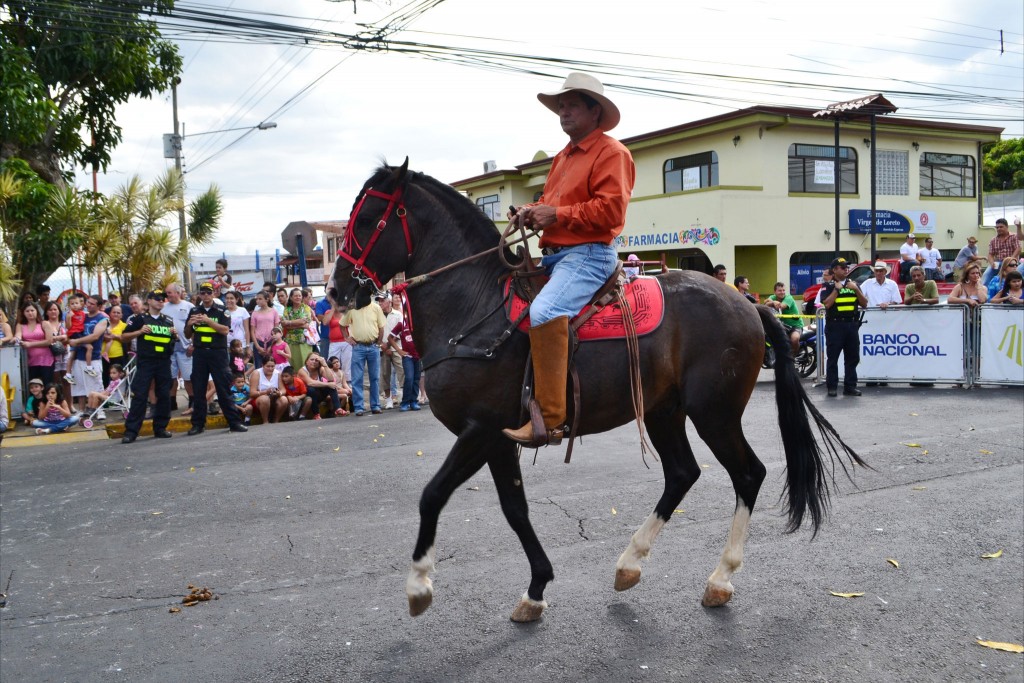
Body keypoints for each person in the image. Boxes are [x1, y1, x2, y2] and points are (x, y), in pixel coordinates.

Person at [501, 72, 636, 446]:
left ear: (595, 111)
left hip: (590, 255)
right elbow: (550, 204)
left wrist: (555, 216)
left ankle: (551, 421)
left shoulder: (613, 153)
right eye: (561, 106)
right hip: (557, 257)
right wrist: (528, 211)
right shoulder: (562, 156)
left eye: (572, 104)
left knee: (544, 312)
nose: (564, 111)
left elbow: (611, 211)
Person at [183, 282, 247, 436]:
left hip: (217, 353)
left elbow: (225, 330)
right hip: (200, 353)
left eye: (208, 292)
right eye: (203, 293)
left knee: (223, 389)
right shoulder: (194, 310)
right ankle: (198, 424)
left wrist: (208, 321)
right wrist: (190, 324)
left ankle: (234, 422)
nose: (205, 295)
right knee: (199, 389)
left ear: (214, 294)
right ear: (199, 294)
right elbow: (186, 334)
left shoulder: (221, 310)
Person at [119, 289, 177, 443]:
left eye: (162, 299)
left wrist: (175, 335)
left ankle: (160, 428)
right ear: (149, 301)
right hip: (146, 362)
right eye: (157, 299)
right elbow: (123, 337)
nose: (160, 301)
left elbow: (171, 342)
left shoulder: (168, 320)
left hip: (164, 361)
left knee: (164, 395)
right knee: (140, 395)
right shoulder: (139, 319)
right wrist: (139, 332)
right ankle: (131, 431)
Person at [821, 257, 866, 397]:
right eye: (842, 267)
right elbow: (827, 304)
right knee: (833, 358)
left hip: (852, 325)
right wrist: (836, 289)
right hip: (835, 325)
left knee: (852, 358)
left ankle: (850, 387)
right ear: (834, 270)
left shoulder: (854, 284)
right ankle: (832, 387)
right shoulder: (828, 286)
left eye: (847, 267)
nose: (846, 269)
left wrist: (857, 290)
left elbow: (864, 304)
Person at [341, 286, 387, 417]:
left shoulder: (376, 307)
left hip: (372, 346)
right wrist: (347, 338)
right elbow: (342, 324)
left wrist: (378, 341)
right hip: (358, 346)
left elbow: (381, 326)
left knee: (375, 378)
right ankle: (359, 407)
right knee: (357, 379)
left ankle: (375, 405)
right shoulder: (352, 309)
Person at [66, 295, 108, 412]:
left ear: (99, 306)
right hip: (79, 357)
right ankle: (82, 411)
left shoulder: (102, 318)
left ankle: (99, 411)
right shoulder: (81, 315)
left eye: (92, 304)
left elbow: (95, 336)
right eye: (87, 302)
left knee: (95, 386)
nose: (88, 305)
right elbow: (69, 329)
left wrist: (77, 341)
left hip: (93, 357)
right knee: (80, 388)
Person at [163, 284, 195, 415]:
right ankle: (172, 402)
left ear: (177, 293)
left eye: (169, 293)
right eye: (166, 293)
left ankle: (192, 401)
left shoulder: (189, 306)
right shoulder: (164, 308)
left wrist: (193, 344)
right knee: (171, 377)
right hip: (170, 348)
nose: (167, 295)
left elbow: (196, 327)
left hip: (186, 348)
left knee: (188, 377)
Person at [15, 302, 56, 385]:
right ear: (23, 313)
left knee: (47, 385)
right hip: (30, 361)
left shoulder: (44, 323)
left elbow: (49, 341)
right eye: (27, 311)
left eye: (32, 310)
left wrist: (30, 344)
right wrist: (15, 339)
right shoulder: (20, 325)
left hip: (46, 360)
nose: (30, 313)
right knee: (33, 387)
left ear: (37, 311)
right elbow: (17, 336)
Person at [389, 316, 423, 412]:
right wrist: (399, 350)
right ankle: (405, 402)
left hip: (418, 356)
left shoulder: (418, 324)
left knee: (416, 379)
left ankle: (413, 401)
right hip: (407, 357)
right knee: (409, 378)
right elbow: (390, 338)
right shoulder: (401, 324)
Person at [297, 353, 346, 418]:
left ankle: (338, 409)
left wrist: (325, 365)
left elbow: (330, 379)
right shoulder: (302, 371)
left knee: (332, 385)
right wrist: (328, 384)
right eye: (312, 360)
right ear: (306, 362)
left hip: (318, 395)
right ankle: (316, 414)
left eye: (316, 360)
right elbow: (310, 383)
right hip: (306, 396)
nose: (314, 362)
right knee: (312, 389)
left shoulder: (320, 369)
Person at [378, 293, 403, 409]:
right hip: (382, 348)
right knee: (385, 374)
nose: (380, 303)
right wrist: (382, 345)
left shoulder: (398, 314)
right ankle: (388, 400)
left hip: (397, 347)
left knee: (402, 372)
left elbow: (401, 331)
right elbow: (375, 331)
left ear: (389, 301)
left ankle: (404, 396)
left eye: (382, 300)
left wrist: (388, 345)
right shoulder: (377, 315)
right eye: (379, 301)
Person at [63, 294, 95, 383]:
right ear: (69, 306)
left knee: (72, 354)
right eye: (72, 304)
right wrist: (69, 317)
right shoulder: (70, 314)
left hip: (80, 333)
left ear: (81, 304)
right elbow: (68, 327)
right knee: (89, 347)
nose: (75, 305)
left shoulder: (82, 313)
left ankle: (68, 374)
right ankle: (89, 367)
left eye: (76, 303)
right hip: (74, 333)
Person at [764, 282, 803, 354]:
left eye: (783, 290)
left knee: (794, 339)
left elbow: (781, 306)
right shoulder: (773, 297)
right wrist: (773, 302)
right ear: (774, 292)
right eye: (780, 290)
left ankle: (793, 356)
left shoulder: (789, 298)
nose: (782, 292)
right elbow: (766, 304)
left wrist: (773, 303)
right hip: (782, 325)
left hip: (795, 326)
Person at [982, 217, 1023, 286]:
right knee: (987, 274)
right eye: (997, 227)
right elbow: (990, 254)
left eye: (1001, 227)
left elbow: (1018, 248)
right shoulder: (993, 240)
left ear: (1007, 227)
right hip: (999, 263)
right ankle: (985, 291)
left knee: (1020, 271)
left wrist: (1011, 259)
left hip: (1013, 262)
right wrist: (992, 263)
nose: (999, 229)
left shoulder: (1014, 236)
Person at [282, 288, 314, 369]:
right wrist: (299, 323)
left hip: (304, 340)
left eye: (299, 296)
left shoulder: (306, 308)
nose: (298, 297)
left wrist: (290, 323)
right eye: (295, 296)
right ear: (291, 298)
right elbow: (284, 324)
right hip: (290, 341)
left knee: (305, 363)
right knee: (292, 364)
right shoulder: (287, 309)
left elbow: (305, 322)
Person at [249, 357, 287, 424]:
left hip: (274, 398)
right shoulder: (256, 373)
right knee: (265, 399)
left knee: (284, 399)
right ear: (263, 365)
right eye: (268, 366)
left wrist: (279, 393)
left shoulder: (278, 373)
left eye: (272, 366)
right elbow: (252, 393)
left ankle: (276, 420)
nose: (270, 368)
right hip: (259, 399)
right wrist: (265, 392)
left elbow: (283, 390)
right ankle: (265, 421)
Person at [249, 291, 280, 369]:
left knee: (272, 365)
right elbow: (252, 330)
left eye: (260, 299)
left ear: (267, 299)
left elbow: (276, 329)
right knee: (259, 367)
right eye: (257, 299)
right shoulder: (255, 313)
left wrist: (272, 345)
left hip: (271, 340)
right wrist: (257, 346)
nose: (258, 301)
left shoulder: (274, 312)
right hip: (259, 341)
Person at [101, 304, 127, 388]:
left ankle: (117, 398)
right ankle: (105, 397)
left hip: (117, 355)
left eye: (118, 313)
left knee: (117, 377)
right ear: (110, 313)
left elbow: (125, 339)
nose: (116, 314)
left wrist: (114, 336)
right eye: (114, 312)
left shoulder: (124, 326)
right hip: (103, 355)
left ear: (121, 315)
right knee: (104, 376)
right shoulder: (105, 323)